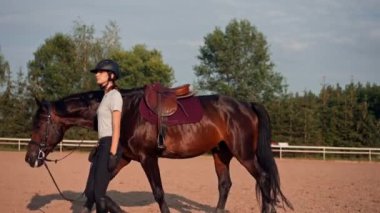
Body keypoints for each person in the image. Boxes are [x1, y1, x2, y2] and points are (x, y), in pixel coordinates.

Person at [82, 59, 124, 213]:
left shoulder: (115, 96)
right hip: (102, 145)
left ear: (111, 75)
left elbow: (116, 126)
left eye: (100, 72)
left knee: (99, 193)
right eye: (96, 72)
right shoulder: (105, 97)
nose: (97, 75)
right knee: (90, 191)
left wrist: (112, 153)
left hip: (110, 146)